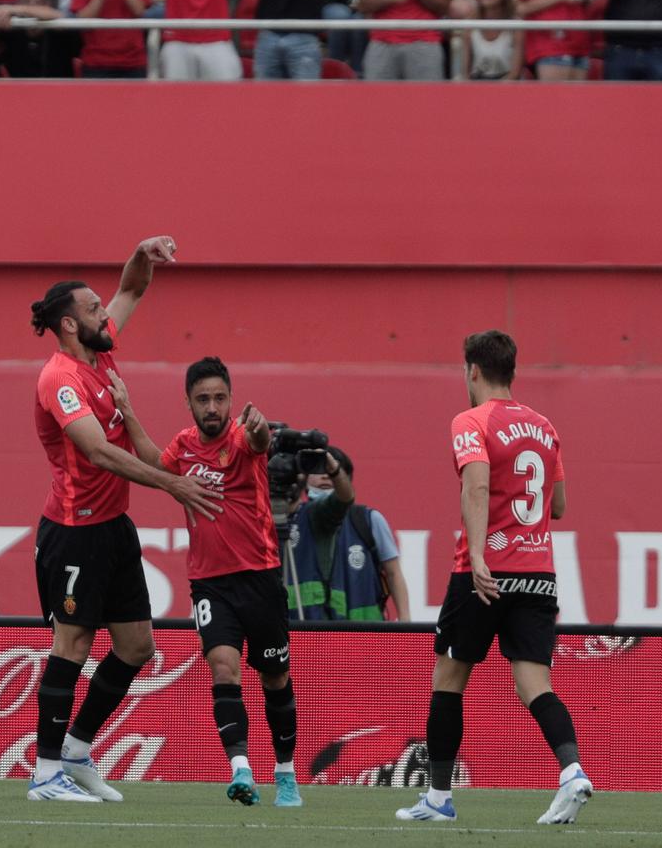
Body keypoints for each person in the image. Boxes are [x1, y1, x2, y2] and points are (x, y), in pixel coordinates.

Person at [25, 242, 224, 802]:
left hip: (113, 526)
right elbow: (97, 453)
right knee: (74, 643)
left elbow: (133, 287)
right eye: (92, 310)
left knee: (137, 647)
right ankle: (44, 774)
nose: (103, 315)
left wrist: (142, 251)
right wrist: (172, 483)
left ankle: (77, 751)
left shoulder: (101, 354)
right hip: (73, 530)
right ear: (70, 324)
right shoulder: (59, 378)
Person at [398, 330, 590, 826]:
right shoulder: (545, 427)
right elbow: (560, 506)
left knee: (449, 679)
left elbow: (477, 483)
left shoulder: (470, 420)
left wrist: (481, 555)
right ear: (513, 372)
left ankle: (438, 798)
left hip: (483, 574)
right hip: (539, 574)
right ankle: (571, 771)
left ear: (474, 371)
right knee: (535, 682)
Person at [162, 358, 303, 808]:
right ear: (187, 403)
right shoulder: (181, 447)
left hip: (259, 578)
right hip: (210, 583)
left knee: (275, 676)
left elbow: (260, 440)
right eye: (203, 399)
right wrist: (124, 414)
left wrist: (261, 429)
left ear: (231, 399)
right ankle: (241, 768)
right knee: (223, 666)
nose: (212, 407)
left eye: (220, 398)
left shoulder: (243, 436)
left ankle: (285, 772)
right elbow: (153, 465)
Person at [287, 446, 412, 622]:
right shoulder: (292, 520)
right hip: (306, 629)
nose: (325, 475)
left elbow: (393, 573)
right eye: (317, 469)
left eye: (331, 470)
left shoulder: (369, 520)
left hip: (365, 633)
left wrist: (405, 619)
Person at [454, 0, 523, 80]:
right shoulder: (469, 25)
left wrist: (494, 92)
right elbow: (465, 72)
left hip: (508, 87)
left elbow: (515, 73)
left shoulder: (516, 26)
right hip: (477, 84)